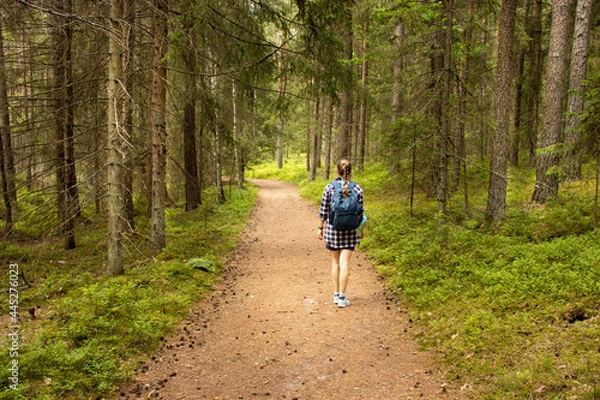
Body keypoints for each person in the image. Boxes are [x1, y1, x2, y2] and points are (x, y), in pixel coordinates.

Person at [317, 159, 364, 308]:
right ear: (350, 171)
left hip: (333, 230)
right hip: (350, 232)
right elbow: (361, 213)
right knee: (345, 263)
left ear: (337, 171)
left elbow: (324, 210)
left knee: (335, 262)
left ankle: (336, 294)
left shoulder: (330, 187)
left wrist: (320, 228)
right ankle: (343, 297)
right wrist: (360, 231)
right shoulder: (357, 189)